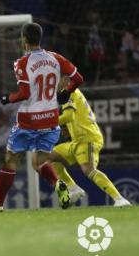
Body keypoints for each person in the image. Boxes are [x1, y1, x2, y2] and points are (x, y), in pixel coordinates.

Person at [0, 23, 83, 213]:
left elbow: (24, 93)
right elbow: (79, 79)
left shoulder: (22, 63)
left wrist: (7, 98)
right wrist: (66, 93)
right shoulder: (56, 58)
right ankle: (58, 184)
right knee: (39, 162)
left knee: (11, 160)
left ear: (24, 39)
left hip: (29, 120)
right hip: (51, 119)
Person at [48, 77, 131, 207]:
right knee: (50, 157)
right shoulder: (68, 95)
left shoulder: (69, 93)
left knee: (89, 170)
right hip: (77, 141)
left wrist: (46, 122)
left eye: (55, 82)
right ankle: (73, 189)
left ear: (65, 80)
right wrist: (69, 130)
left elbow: (69, 116)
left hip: (87, 138)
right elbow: (75, 117)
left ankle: (119, 199)